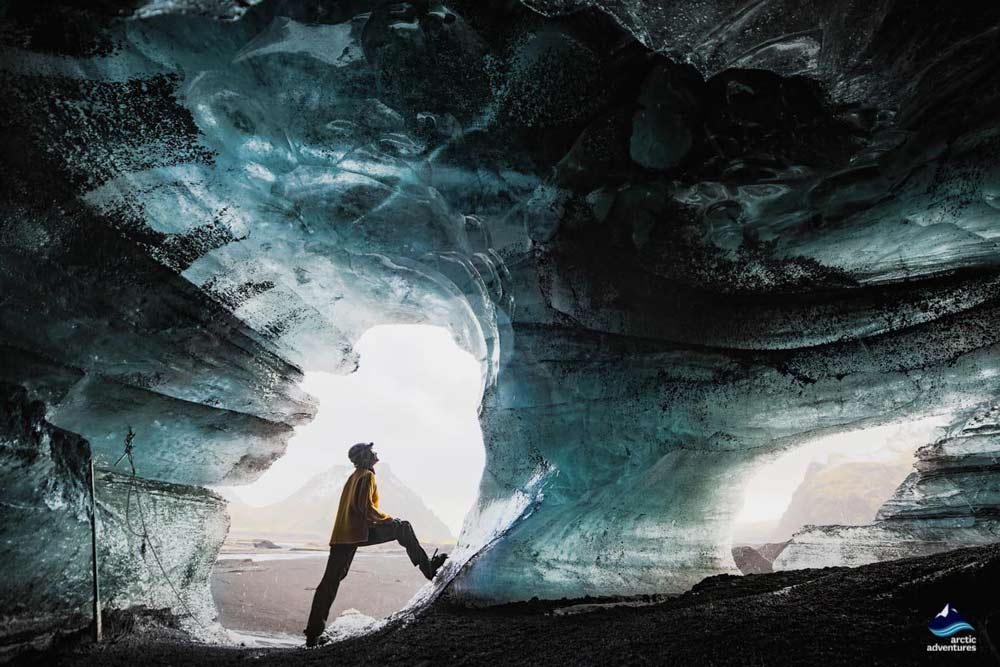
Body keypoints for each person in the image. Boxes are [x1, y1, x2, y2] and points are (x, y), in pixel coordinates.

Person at [304, 442, 448, 647]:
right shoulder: (367, 475)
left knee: (328, 583)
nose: (376, 453)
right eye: (372, 451)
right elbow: (365, 507)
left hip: (342, 536)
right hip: (358, 533)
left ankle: (312, 634)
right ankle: (430, 570)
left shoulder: (353, 476)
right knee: (403, 527)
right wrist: (388, 520)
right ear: (365, 456)